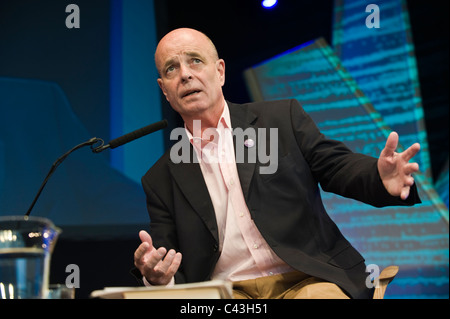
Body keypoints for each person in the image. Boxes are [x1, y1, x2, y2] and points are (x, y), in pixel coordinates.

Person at [133, 28, 421, 299]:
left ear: (219, 71)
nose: (185, 75)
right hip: (229, 293)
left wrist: (379, 177)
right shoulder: (160, 179)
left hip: (308, 280)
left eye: (195, 61)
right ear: (164, 89)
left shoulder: (281, 120)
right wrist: (156, 276)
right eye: (172, 68)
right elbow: (165, 258)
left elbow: (337, 167)